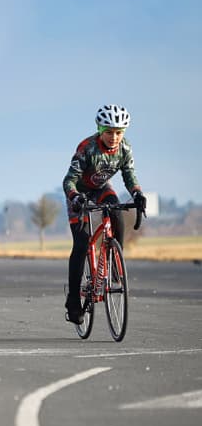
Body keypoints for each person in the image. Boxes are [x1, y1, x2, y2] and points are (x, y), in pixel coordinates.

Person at [62, 104, 146, 324]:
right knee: (81, 243)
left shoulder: (125, 148)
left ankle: (115, 263)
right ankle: (73, 301)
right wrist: (75, 198)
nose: (114, 137)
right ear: (100, 129)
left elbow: (129, 174)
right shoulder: (87, 147)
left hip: (100, 188)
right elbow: (68, 180)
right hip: (79, 192)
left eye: (119, 132)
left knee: (116, 210)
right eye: (109, 132)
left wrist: (137, 194)